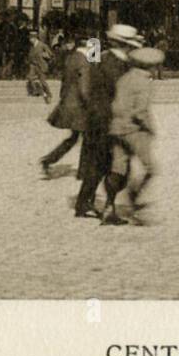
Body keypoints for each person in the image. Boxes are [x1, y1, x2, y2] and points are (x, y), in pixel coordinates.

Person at [75, 24, 140, 219]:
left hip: (99, 119)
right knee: (113, 165)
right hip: (108, 120)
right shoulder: (115, 65)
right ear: (125, 45)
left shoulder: (103, 59)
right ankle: (105, 207)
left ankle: (85, 203)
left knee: (99, 164)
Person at [101, 45, 164, 226]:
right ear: (150, 66)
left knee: (117, 168)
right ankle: (133, 198)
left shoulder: (125, 78)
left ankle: (109, 207)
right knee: (151, 168)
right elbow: (141, 111)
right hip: (133, 131)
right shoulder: (144, 82)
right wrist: (151, 128)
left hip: (116, 128)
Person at [40, 36, 92, 179]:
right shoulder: (84, 61)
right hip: (79, 106)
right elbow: (84, 87)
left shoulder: (71, 58)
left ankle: (49, 159)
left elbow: (65, 82)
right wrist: (90, 103)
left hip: (68, 102)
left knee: (74, 137)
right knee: (87, 137)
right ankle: (83, 172)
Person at [26, 30, 52, 103]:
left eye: (31, 38)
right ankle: (36, 91)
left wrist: (44, 55)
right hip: (33, 65)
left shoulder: (42, 45)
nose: (30, 40)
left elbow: (50, 54)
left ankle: (49, 94)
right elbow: (30, 55)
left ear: (35, 38)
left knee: (43, 81)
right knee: (30, 77)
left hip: (41, 65)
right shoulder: (31, 46)